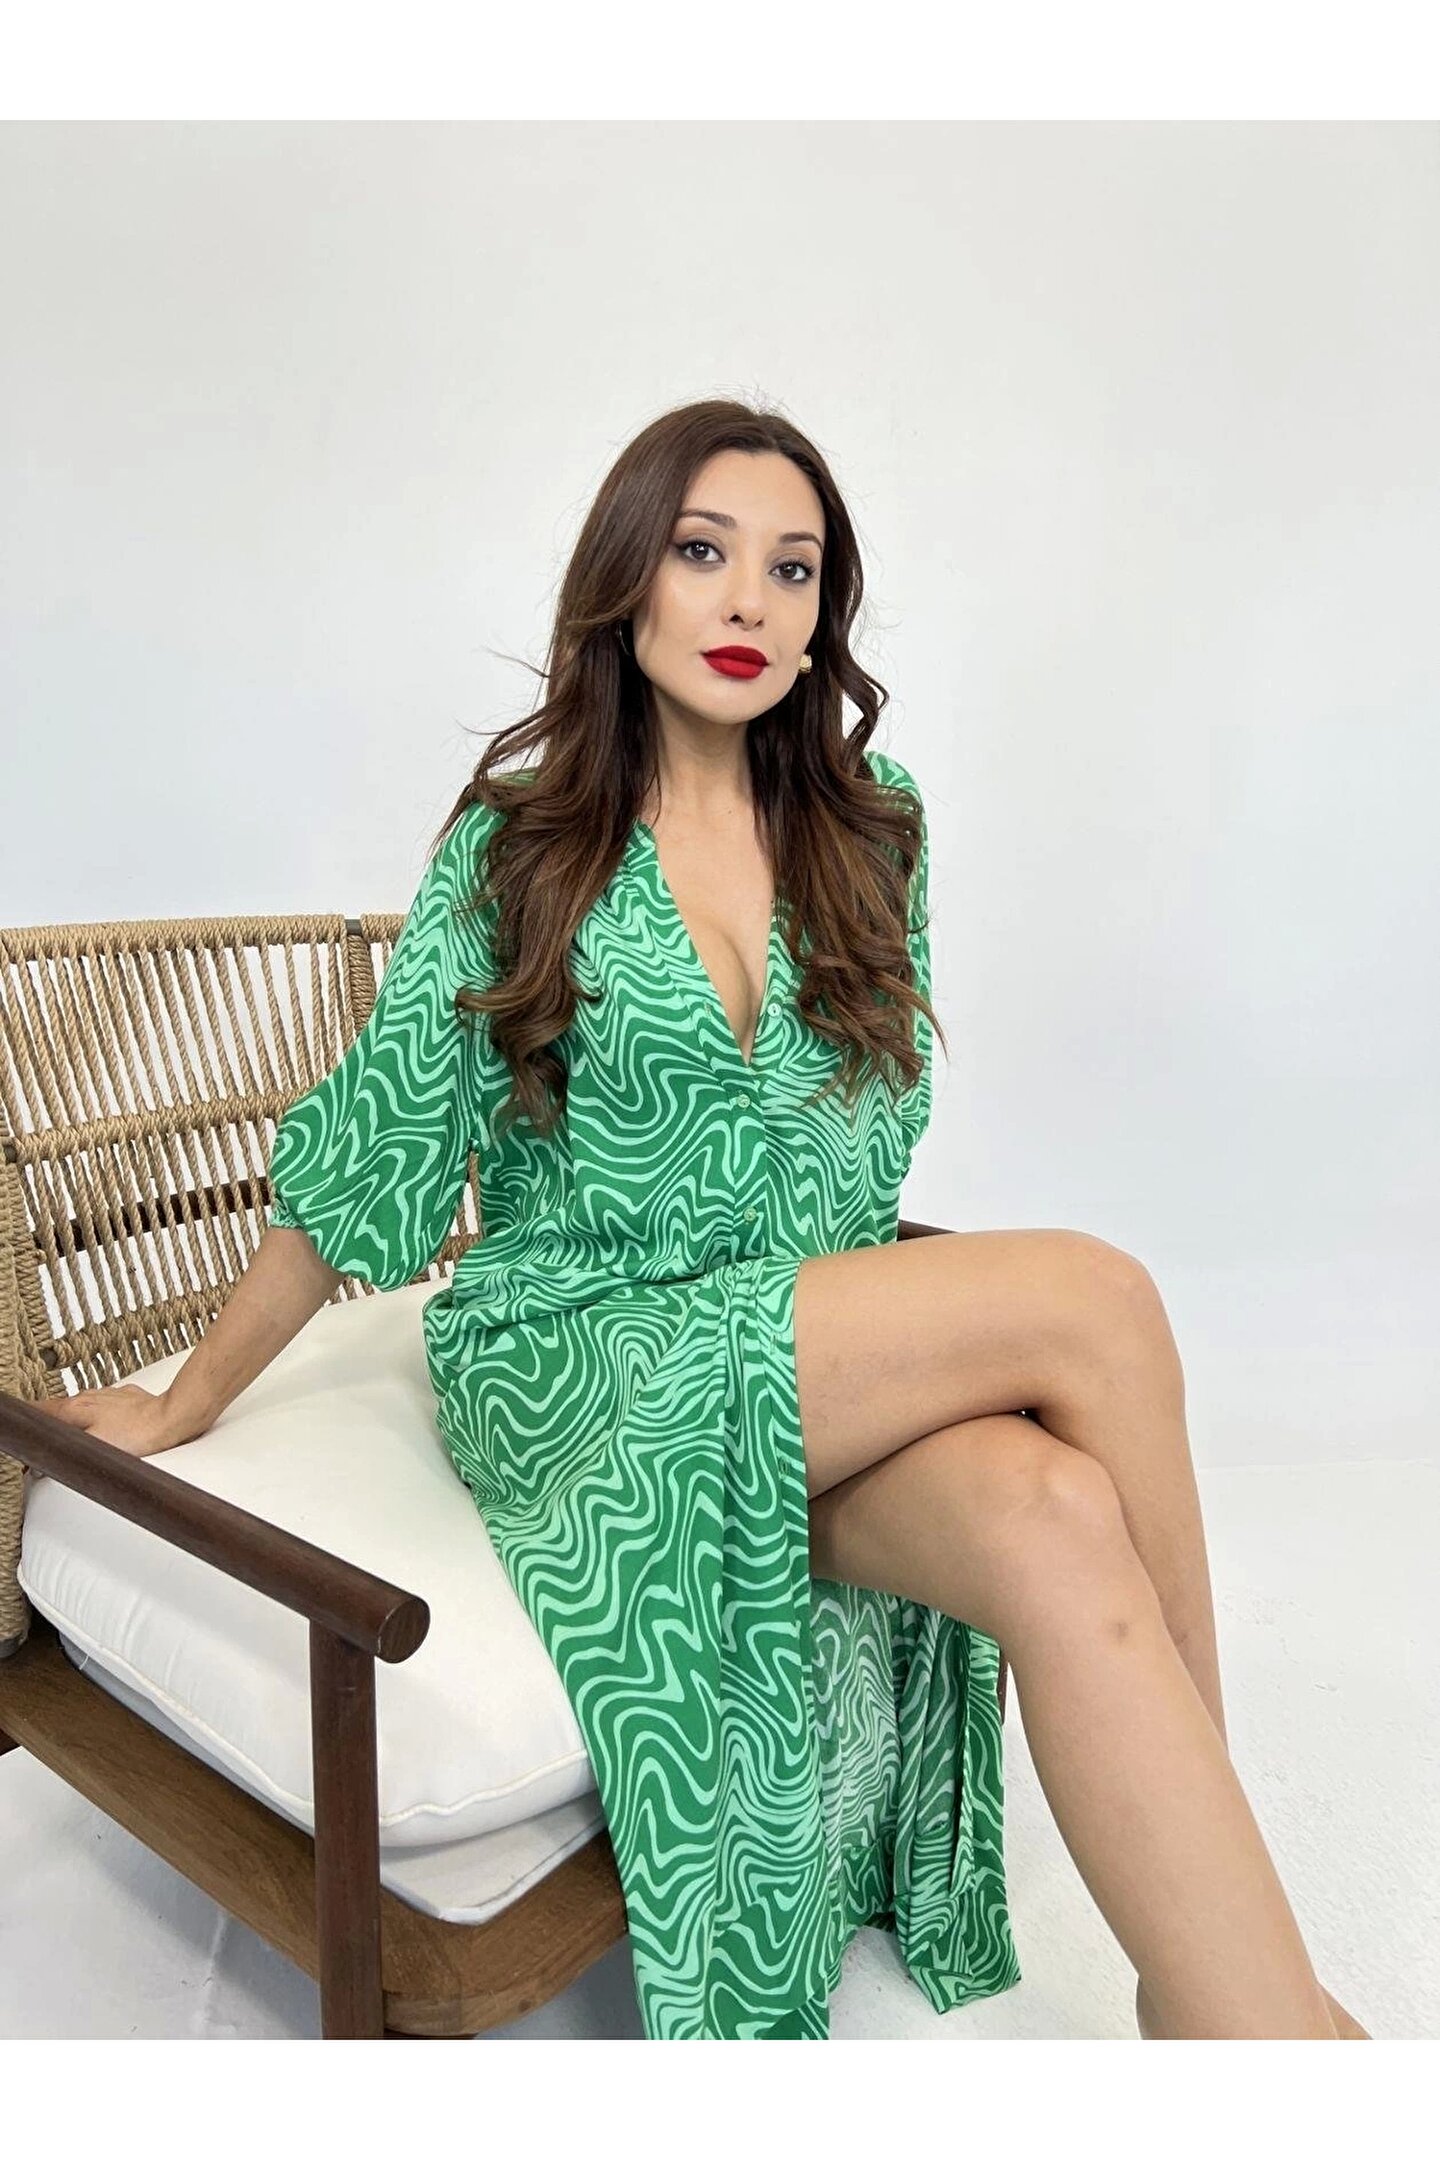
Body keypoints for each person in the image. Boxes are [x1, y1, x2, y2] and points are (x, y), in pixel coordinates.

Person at [43, 398, 1370, 2041]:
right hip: (578, 1360)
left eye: (793, 570)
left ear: (823, 618)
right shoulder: (523, 847)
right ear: (630, 581)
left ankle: (1222, 1996)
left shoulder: (874, 833)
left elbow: (856, 1165)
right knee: (1099, 1300)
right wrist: (186, 1397)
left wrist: (892, 1348)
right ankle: (1279, 2015)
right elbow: (373, 1158)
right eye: (703, 551)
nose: (750, 601)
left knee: (1051, 1511)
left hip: (783, 1348)